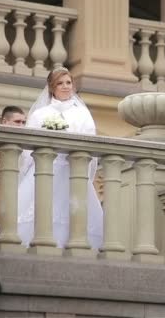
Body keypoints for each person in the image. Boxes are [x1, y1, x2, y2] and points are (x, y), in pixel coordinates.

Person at [16, 67, 103, 249]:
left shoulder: (82, 114)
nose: (65, 87)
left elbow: (90, 146)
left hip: (72, 172)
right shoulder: (40, 114)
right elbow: (28, 148)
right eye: (60, 83)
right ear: (51, 87)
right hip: (44, 171)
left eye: (68, 83)